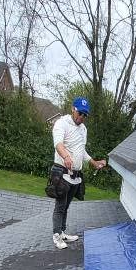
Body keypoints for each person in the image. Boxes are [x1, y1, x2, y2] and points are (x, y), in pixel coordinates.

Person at [50, 96, 107, 249]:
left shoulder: (83, 129)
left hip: (75, 175)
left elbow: (81, 151)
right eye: (80, 113)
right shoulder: (61, 123)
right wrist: (66, 156)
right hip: (61, 171)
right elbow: (58, 144)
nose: (82, 117)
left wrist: (94, 162)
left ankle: (62, 232)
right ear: (72, 109)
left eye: (85, 115)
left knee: (66, 205)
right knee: (60, 205)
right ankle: (56, 236)